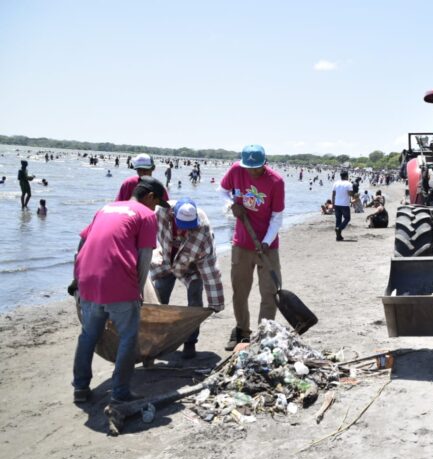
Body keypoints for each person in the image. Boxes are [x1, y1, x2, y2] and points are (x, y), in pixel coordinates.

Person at [71, 176, 170, 404]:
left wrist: (76, 279)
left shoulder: (106, 208)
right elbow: (144, 257)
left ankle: (80, 388)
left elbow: (83, 243)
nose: (156, 209)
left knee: (88, 335)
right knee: (128, 337)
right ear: (150, 196)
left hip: (87, 277)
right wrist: (138, 291)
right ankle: (120, 391)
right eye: (156, 203)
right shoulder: (146, 215)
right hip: (118, 281)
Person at [218, 144, 285, 351]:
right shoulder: (237, 170)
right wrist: (231, 205)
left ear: (264, 163)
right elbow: (222, 192)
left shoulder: (276, 181)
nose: (252, 172)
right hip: (241, 244)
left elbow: (277, 217)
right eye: (249, 168)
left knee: (269, 292)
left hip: (267, 246)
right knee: (240, 291)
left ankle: (263, 335)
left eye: (256, 168)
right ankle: (241, 331)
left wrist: (265, 242)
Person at [151, 197, 224, 359]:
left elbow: (209, 266)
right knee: (159, 297)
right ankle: (156, 340)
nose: (185, 231)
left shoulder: (202, 229)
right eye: (181, 226)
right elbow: (143, 230)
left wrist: (216, 302)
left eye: (188, 227)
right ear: (172, 215)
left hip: (193, 265)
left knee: (195, 299)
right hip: (167, 260)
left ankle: (190, 342)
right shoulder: (160, 213)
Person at [332, 170, 353, 241]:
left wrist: (333, 203)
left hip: (337, 204)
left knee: (338, 220)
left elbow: (333, 194)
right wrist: (354, 193)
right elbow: (350, 194)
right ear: (347, 176)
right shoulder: (348, 184)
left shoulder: (336, 183)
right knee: (347, 218)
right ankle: (339, 229)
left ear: (341, 176)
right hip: (344, 204)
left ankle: (338, 236)